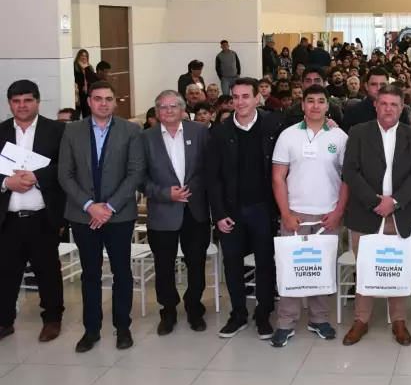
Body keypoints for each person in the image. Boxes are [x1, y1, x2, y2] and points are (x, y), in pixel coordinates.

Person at [58, 81, 144, 352]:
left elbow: (135, 173)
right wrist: (89, 206)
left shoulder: (131, 130)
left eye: (108, 98)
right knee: (90, 274)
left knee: (122, 272)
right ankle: (91, 330)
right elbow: (65, 174)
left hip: (119, 215)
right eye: (98, 98)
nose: (103, 103)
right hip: (82, 215)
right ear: (89, 102)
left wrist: (108, 208)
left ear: (115, 101)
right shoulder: (72, 130)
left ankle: (123, 328)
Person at [342, 84, 411, 346]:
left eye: (394, 105)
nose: (388, 109)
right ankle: (360, 320)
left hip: (399, 213)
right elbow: (350, 171)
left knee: (396, 267)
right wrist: (375, 202)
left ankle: (398, 321)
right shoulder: (358, 132)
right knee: (365, 267)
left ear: (402, 108)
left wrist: (395, 202)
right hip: (366, 212)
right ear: (376, 105)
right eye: (384, 103)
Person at [270, 84, 348, 347]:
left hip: (328, 216)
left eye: (321, 101)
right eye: (310, 100)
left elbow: (347, 179)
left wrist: (338, 212)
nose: (315, 105)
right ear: (302, 104)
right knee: (291, 270)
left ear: (328, 105)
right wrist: (286, 213)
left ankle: (319, 319)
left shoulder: (339, 137)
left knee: (322, 270)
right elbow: (278, 178)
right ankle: (285, 322)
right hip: (295, 215)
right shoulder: (288, 136)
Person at [207, 78, 285, 340]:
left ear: (257, 99)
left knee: (265, 263)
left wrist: (329, 123)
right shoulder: (219, 132)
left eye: (245, 96)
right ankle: (238, 314)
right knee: (232, 264)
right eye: (236, 97)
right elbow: (213, 178)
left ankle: (263, 315)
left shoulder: (273, 125)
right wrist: (218, 214)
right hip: (231, 211)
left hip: (263, 208)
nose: (240, 102)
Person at [140, 90, 211, 336]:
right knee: (164, 266)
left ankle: (194, 307)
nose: (168, 110)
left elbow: (209, 168)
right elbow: (139, 178)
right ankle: (168, 310)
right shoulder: (145, 138)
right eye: (162, 106)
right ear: (156, 111)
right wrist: (165, 193)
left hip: (195, 210)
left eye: (173, 106)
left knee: (196, 264)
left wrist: (193, 188)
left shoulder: (199, 131)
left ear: (183, 109)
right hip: (162, 212)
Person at [0, 80, 66, 343]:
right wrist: (7, 182)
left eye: (27, 100)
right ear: (10, 104)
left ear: (38, 101)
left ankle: (52, 320)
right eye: (16, 101)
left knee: (47, 271)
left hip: (42, 216)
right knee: (5, 272)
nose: (22, 106)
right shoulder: (1, 131)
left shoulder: (57, 130)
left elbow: (66, 166)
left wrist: (37, 176)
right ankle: (4, 322)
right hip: (8, 217)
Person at [340, 67, 410, 131]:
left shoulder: (401, 111)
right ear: (366, 86)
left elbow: (407, 137)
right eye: (374, 84)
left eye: (383, 84)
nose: (378, 88)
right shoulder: (353, 112)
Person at [74, 49, 98, 118]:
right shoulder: (75, 66)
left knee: (87, 113)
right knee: (77, 114)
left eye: (85, 56)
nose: (84, 57)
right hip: (78, 93)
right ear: (78, 56)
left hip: (86, 93)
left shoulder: (89, 67)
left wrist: (88, 87)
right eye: (82, 55)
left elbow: (93, 80)